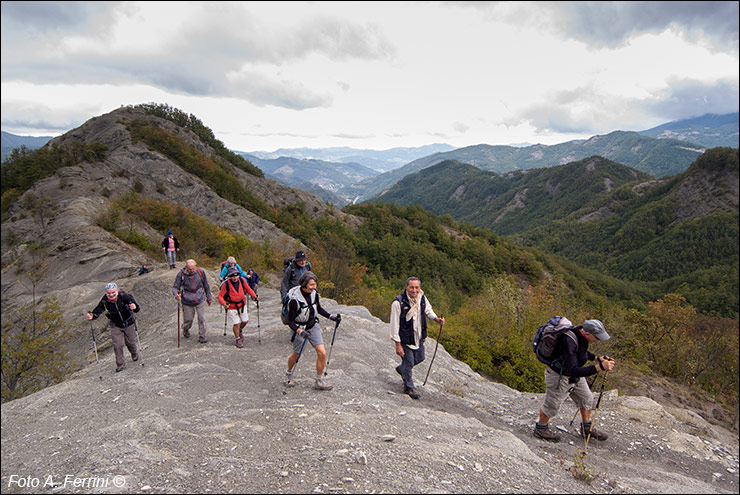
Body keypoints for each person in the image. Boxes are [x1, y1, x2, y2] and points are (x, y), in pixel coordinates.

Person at [533, 318, 615, 443]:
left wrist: (597, 358)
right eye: (597, 338)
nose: (598, 341)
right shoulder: (568, 341)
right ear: (587, 333)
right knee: (552, 404)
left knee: (586, 399)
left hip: (572, 375)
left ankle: (587, 428)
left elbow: (582, 352)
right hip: (559, 376)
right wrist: (599, 368)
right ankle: (541, 428)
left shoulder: (580, 334)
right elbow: (573, 370)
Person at [283, 271, 340, 391]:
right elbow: (290, 321)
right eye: (311, 285)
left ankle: (319, 380)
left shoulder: (314, 294)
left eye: (314, 284)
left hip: (312, 325)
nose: (314, 287)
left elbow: (318, 308)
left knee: (322, 353)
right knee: (297, 354)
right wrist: (299, 331)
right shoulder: (294, 300)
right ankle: (288, 373)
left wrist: (331, 317)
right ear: (304, 285)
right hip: (300, 327)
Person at [389, 277, 444, 399]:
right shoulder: (398, 303)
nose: (414, 290)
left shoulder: (422, 298)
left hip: (418, 336)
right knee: (409, 363)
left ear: (419, 288)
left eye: (416, 287)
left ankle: (402, 369)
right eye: (411, 287)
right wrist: (397, 344)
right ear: (406, 287)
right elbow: (394, 325)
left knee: (420, 358)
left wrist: (437, 320)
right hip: (405, 338)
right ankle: (409, 387)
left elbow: (428, 310)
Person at [87, 282, 140, 372]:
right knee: (117, 345)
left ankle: (134, 354)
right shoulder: (105, 300)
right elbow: (98, 310)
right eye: (108, 293)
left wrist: (134, 307)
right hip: (115, 325)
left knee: (130, 342)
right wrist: (92, 316)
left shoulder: (124, 297)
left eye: (113, 292)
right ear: (105, 293)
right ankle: (120, 364)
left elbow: (137, 309)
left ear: (117, 291)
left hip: (129, 322)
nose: (111, 295)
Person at [173, 259, 212, 343]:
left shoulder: (201, 272)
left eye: (193, 268)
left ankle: (202, 336)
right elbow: (175, 287)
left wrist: (209, 297)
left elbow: (206, 285)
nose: (192, 270)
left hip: (199, 297)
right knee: (188, 319)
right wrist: (176, 293)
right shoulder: (181, 274)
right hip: (187, 299)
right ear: (186, 267)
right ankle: (185, 329)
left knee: (201, 318)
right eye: (190, 269)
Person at [218, 266, 258, 348]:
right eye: (233, 276)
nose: (235, 278)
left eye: (236, 276)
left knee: (245, 321)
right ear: (229, 276)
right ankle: (238, 338)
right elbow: (220, 296)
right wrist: (224, 303)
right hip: (231, 306)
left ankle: (239, 330)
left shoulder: (242, 280)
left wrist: (254, 296)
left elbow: (248, 289)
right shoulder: (226, 284)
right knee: (236, 323)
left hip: (242, 304)